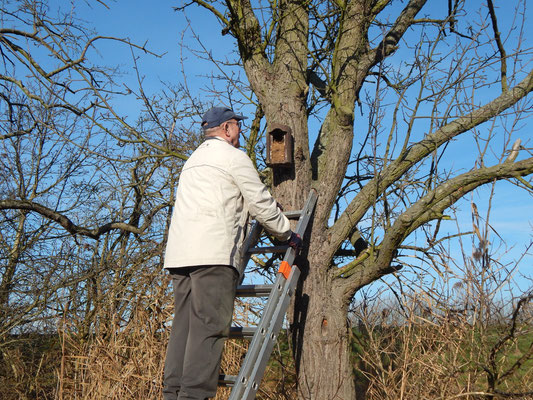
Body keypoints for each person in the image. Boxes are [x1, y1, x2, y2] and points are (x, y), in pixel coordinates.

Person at [162, 106, 302, 400]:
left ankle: (172, 394)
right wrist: (287, 234)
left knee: (184, 329)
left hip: (179, 257)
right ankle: (193, 396)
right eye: (237, 126)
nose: (239, 132)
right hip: (212, 255)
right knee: (209, 328)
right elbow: (260, 202)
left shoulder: (192, 162)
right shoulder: (233, 158)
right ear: (226, 129)